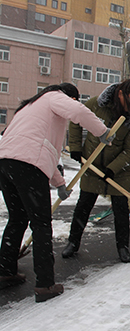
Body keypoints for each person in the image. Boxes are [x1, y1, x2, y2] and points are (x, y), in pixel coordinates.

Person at [0, 83, 112, 302]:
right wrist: (102, 131)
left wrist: (59, 182)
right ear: (69, 96)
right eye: (74, 100)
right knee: (41, 224)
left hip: (5, 164)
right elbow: (78, 112)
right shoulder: (55, 97)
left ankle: (5, 271)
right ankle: (45, 284)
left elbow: (42, 148)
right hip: (27, 165)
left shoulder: (30, 107)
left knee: (17, 219)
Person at [62, 79, 130, 263]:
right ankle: (73, 242)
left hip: (118, 170)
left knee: (121, 210)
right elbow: (75, 121)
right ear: (120, 94)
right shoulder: (96, 104)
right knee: (83, 206)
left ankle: (123, 247)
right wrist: (75, 147)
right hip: (91, 164)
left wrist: (112, 168)